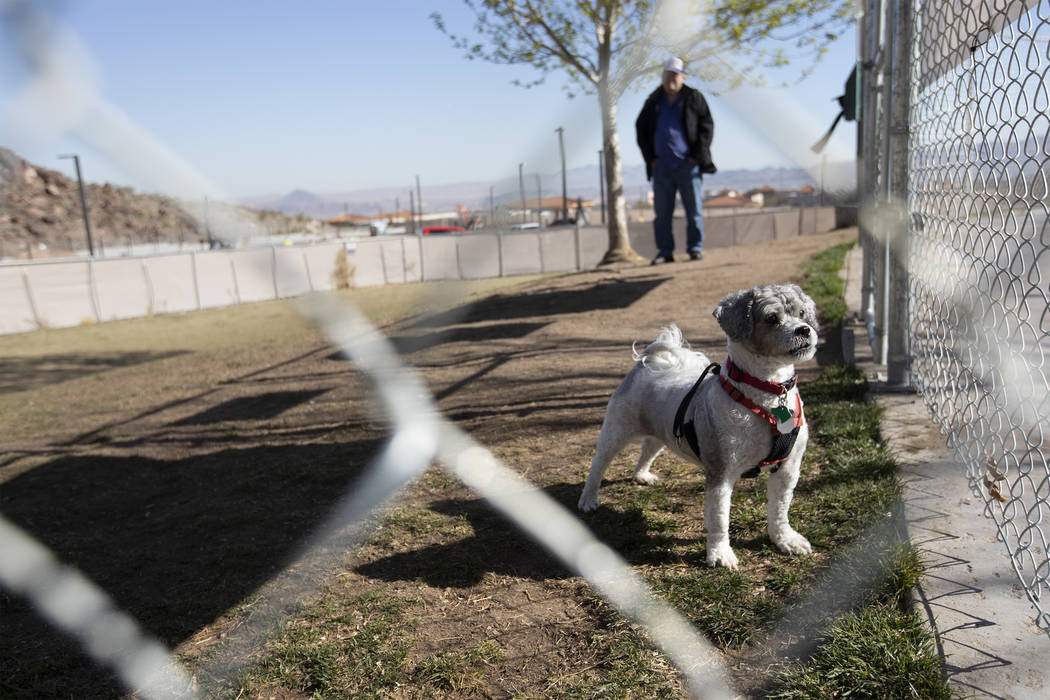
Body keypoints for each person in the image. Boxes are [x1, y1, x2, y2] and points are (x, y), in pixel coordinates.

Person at [635, 57, 716, 265]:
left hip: (687, 166)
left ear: (683, 77)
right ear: (662, 77)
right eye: (667, 75)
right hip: (661, 167)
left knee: (694, 211)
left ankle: (695, 248)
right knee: (662, 213)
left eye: (674, 75)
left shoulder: (693, 98)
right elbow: (640, 128)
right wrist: (650, 158)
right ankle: (665, 251)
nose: (670, 79)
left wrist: (697, 156)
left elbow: (706, 126)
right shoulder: (654, 100)